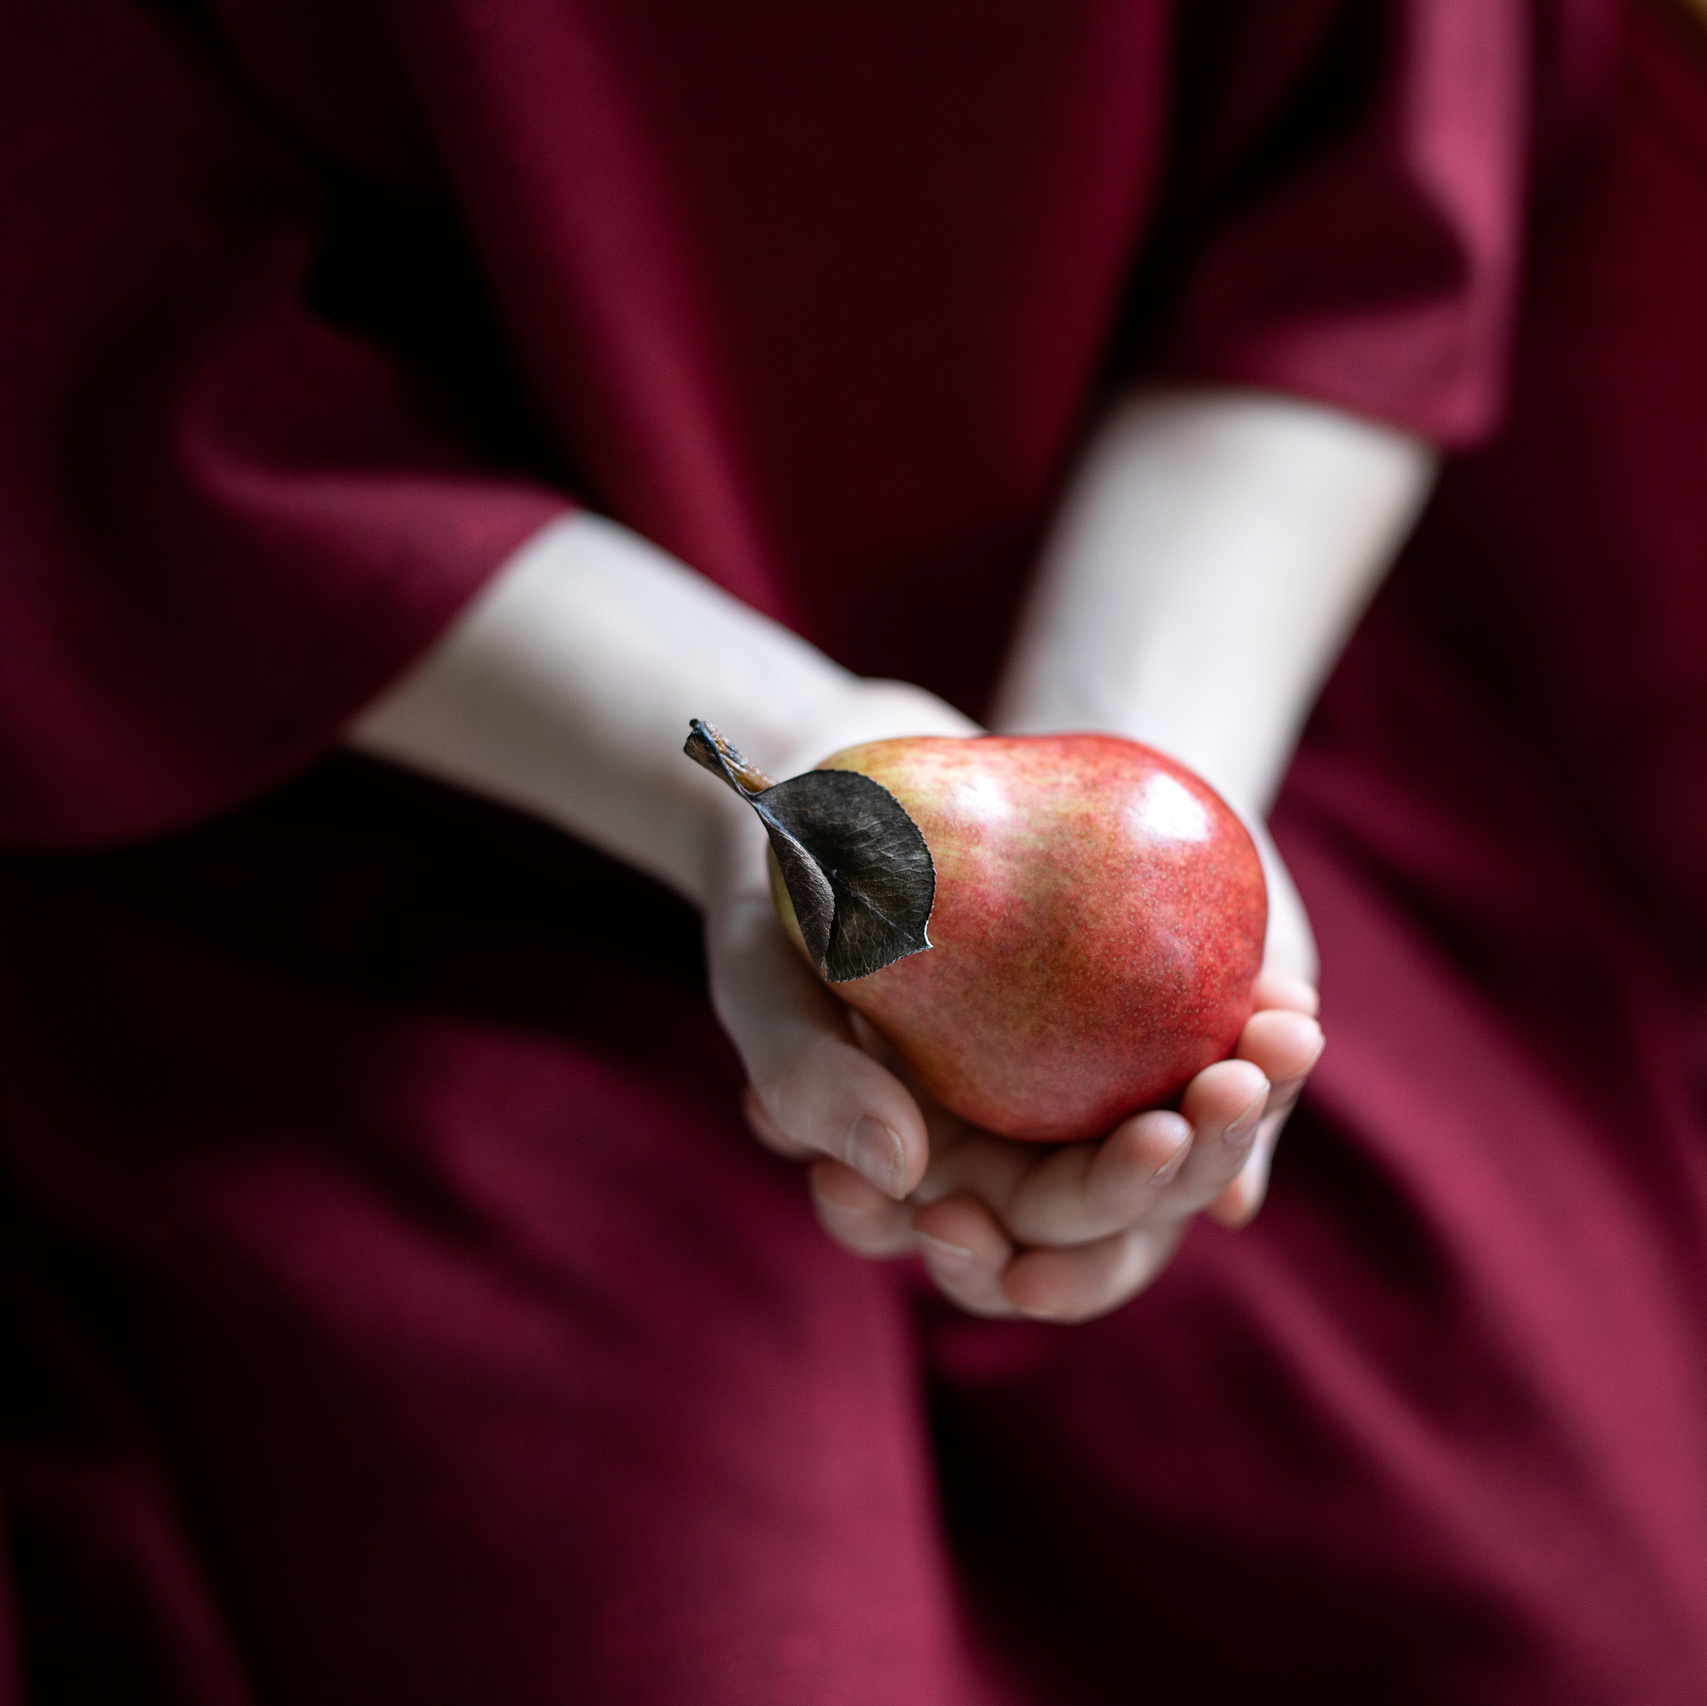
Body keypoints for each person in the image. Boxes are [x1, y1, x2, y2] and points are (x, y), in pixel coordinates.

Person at [8, 1, 1684, 1702]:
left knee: (1598, 1607)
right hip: (335, 787)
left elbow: (1376, 183)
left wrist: (1144, 744)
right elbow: (96, 345)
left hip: (1174, 614)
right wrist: (767, 757)